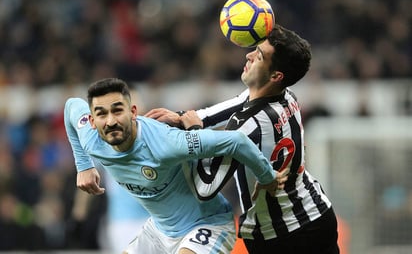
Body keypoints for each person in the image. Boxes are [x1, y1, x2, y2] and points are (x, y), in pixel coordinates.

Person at [146, 24, 340, 254]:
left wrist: (193, 132)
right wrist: (182, 118)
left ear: (276, 75)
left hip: (280, 235)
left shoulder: (247, 125)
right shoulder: (287, 95)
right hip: (317, 214)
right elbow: (234, 105)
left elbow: (206, 186)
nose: (248, 55)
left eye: (259, 55)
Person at [63, 77, 287, 254]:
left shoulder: (165, 143)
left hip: (207, 224)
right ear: (92, 121)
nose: (110, 121)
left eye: (117, 110)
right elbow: (72, 106)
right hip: (159, 231)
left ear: (132, 112)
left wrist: (266, 177)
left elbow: (236, 141)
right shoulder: (91, 139)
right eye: (101, 114)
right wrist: (84, 165)